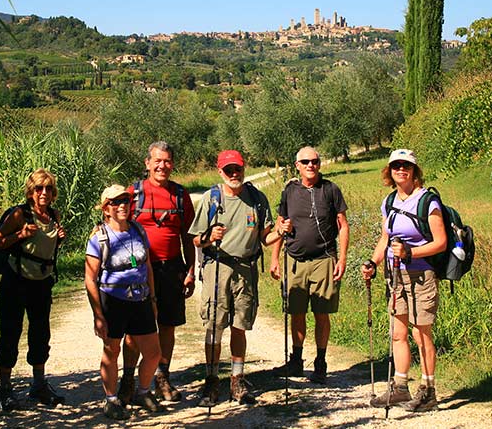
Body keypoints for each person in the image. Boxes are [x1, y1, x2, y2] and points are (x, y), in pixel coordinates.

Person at [189, 150, 283, 407]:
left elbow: (266, 238)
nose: (234, 174)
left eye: (237, 169)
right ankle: (211, 380)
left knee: (240, 325)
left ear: (244, 169)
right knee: (214, 326)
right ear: (220, 171)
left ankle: (237, 380)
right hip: (217, 268)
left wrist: (281, 232)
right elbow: (196, 239)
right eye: (228, 170)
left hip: (246, 269)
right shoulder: (211, 198)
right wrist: (210, 237)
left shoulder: (256, 199)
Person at [361, 149, 446, 412]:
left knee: (421, 335)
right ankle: (400, 387)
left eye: (406, 165)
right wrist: (372, 263)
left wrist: (411, 252)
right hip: (394, 275)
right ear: (389, 171)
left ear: (414, 170)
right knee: (398, 334)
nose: (401, 169)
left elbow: (440, 243)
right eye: (396, 165)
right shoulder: (388, 202)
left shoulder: (427, 201)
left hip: (421, 276)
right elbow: (386, 239)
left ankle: (428, 390)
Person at [118, 142, 195, 405]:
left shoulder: (181, 196)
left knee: (167, 326)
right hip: (138, 272)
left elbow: (187, 236)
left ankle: (162, 377)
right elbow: (117, 227)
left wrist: (191, 270)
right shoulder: (134, 193)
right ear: (147, 163)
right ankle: (128, 381)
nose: (163, 166)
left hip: (171, 268)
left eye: (168, 161)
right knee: (133, 329)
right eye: (158, 161)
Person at [85, 185, 165, 420]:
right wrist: (98, 315)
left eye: (126, 201)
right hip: (113, 299)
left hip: (140, 299)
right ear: (106, 209)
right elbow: (90, 278)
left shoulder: (138, 230)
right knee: (112, 350)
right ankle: (111, 400)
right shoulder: (99, 237)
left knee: (153, 353)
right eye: (116, 202)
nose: (122, 206)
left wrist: (152, 298)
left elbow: (147, 266)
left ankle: (142, 391)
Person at [270, 147, 349, 384]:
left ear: (320, 163)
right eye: (305, 161)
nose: (310, 165)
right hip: (294, 259)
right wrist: (275, 257)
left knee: (322, 313)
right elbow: (281, 225)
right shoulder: (289, 191)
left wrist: (342, 259)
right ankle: (296, 361)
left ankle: (321, 362)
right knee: (296, 312)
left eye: (314, 161)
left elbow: (343, 226)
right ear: (297, 165)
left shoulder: (331, 190)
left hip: (324, 260)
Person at [0, 168, 66, 411]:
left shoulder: (53, 215)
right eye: (38, 188)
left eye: (48, 189)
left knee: (40, 334)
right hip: (16, 281)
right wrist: (21, 234)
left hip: (41, 283)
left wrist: (59, 238)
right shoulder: (20, 214)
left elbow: (46, 245)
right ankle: (4, 389)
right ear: (30, 192)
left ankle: (38, 385)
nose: (43, 193)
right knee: (11, 333)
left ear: (53, 193)